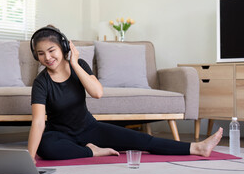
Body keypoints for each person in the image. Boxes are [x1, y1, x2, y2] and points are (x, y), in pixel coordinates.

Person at [27, 25, 223, 163]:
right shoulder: (41, 83)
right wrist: (29, 157)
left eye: (51, 50)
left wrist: (75, 64)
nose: (47, 57)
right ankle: (91, 151)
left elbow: (97, 93)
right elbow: (38, 122)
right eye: (41, 53)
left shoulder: (80, 66)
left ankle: (197, 148)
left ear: (63, 47)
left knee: (142, 140)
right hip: (60, 134)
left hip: (89, 128)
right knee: (46, 148)